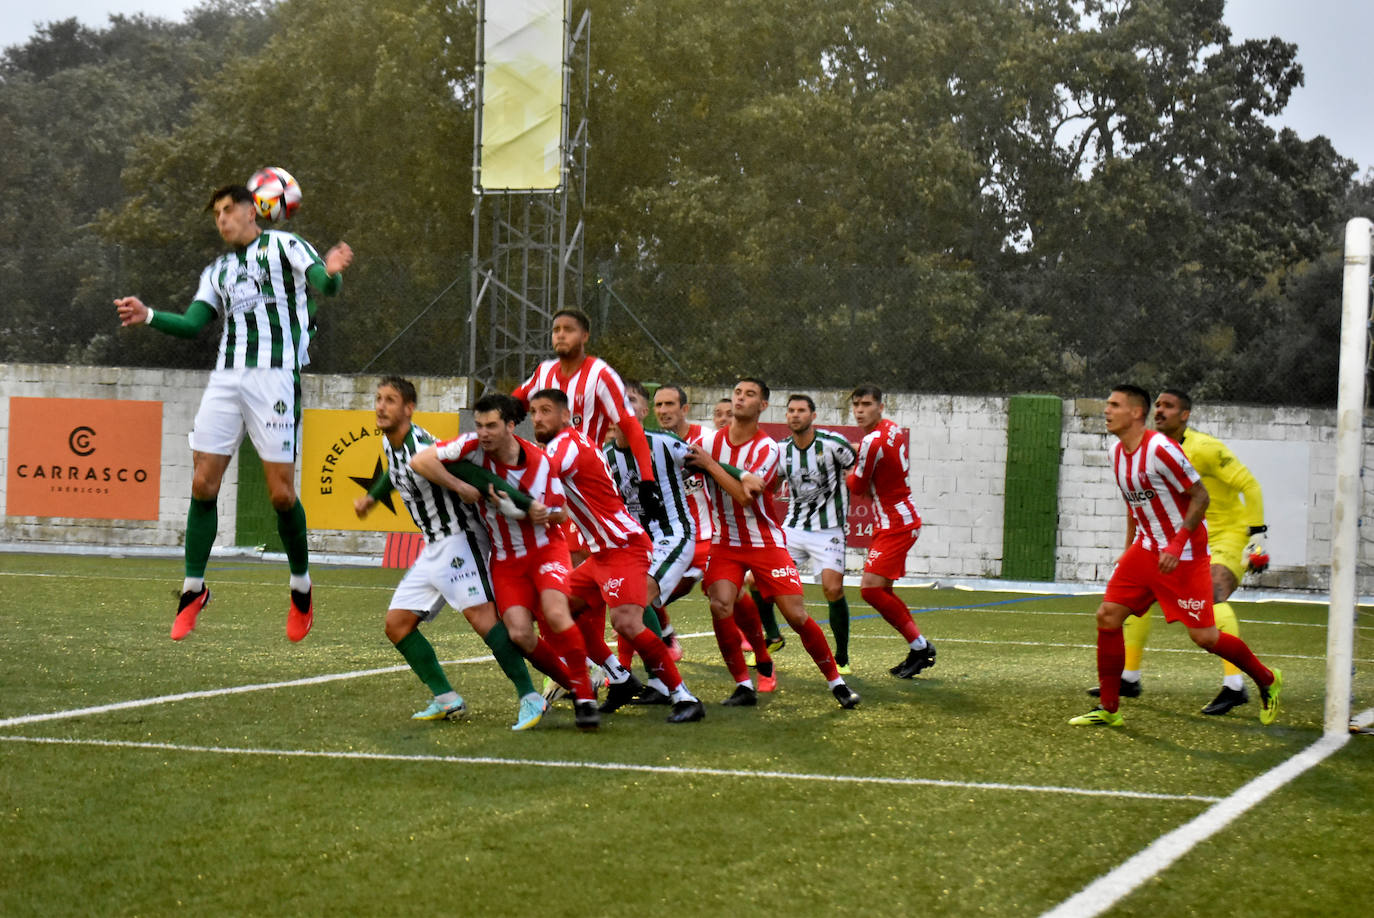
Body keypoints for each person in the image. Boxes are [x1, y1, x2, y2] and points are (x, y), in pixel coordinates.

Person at [115, 183, 353, 642]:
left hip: (276, 375)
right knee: (203, 482)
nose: (222, 219)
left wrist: (335, 271)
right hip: (226, 377)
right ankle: (192, 590)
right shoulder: (218, 269)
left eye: (229, 209)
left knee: (281, 495)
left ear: (253, 210)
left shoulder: (285, 245)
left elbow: (325, 284)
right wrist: (148, 315)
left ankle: (301, 586)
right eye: (217, 214)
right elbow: (191, 324)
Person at [1070, 385, 1282, 727]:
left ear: (1135, 413)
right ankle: (1109, 709)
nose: (1106, 410)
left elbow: (1201, 496)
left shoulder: (1160, 449)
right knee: (1108, 616)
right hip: (1146, 549)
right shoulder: (1115, 453)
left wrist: (1176, 542)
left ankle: (1266, 679)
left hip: (1183, 554)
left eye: (1114, 405)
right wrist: (1128, 551)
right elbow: (1134, 505)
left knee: (1205, 637)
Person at [353, 377, 547, 731]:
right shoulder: (389, 443)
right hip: (433, 547)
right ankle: (446, 698)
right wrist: (371, 496)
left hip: (460, 539)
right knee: (397, 625)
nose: (381, 406)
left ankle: (529, 697)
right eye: (378, 399)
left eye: (390, 400)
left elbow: (474, 474)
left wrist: (528, 503)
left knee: (483, 619)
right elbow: (396, 475)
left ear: (409, 408)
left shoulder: (425, 444)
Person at [412, 393, 602, 730]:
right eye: (480, 425)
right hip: (505, 558)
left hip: (545, 549)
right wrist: (459, 485)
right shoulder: (469, 446)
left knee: (556, 614)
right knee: (518, 634)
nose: (483, 433)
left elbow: (561, 514)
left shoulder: (540, 463)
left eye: (492, 426)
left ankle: (585, 696)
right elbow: (421, 461)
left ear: (511, 426)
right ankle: (575, 684)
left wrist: (530, 511)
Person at [530, 388, 705, 723]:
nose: (538, 418)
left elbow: (540, 478)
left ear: (566, 416)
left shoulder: (564, 446)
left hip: (623, 546)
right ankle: (621, 678)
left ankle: (685, 698)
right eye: (534, 412)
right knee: (555, 610)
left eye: (546, 411)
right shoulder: (576, 445)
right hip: (602, 553)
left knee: (626, 621)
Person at [688, 377, 860, 710]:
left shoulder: (767, 448)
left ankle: (837, 683)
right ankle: (743, 685)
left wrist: (711, 465)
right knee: (720, 604)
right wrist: (726, 468)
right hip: (724, 542)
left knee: (795, 615)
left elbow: (744, 497)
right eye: (737, 392)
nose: (740, 398)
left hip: (765, 542)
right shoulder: (710, 441)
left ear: (762, 406)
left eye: (749, 394)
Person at [511, 308, 666, 525]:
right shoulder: (544, 371)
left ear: (584, 336)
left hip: (584, 481)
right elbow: (511, 406)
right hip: (549, 476)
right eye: (556, 330)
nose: (561, 335)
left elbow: (631, 427)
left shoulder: (600, 374)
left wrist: (648, 482)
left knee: (583, 550)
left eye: (568, 330)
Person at [609, 381, 702, 699]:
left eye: (631, 400)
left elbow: (703, 463)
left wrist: (742, 476)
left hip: (674, 534)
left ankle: (668, 685)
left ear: (643, 412)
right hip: (637, 543)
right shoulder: (605, 455)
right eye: (616, 401)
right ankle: (624, 674)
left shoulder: (664, 443)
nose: (623, 405)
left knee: (636, 598)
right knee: (624, 604)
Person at [846, 384, 936, 678]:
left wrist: (845, 467)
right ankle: (919, 646)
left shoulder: (872, 441)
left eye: (867, 404)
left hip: (896, 524)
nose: (860, 410)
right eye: (856, 404)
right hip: (896, 520)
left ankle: (921, 647)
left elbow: (857, 487)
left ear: (880, 407)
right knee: (880, 590)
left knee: (870, 590)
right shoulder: (892, 430)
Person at [778, 394, 857, 672]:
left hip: (829, 530)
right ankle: (771, 637)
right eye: (791, 411)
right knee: (756, 582)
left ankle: (842, 657)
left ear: (813, 415)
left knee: (832, 589)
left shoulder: (832, 444)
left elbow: (857, 462)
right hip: (794, 528)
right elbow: (767, 485)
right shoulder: (781, 450)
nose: (795, 415)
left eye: (801, 411)